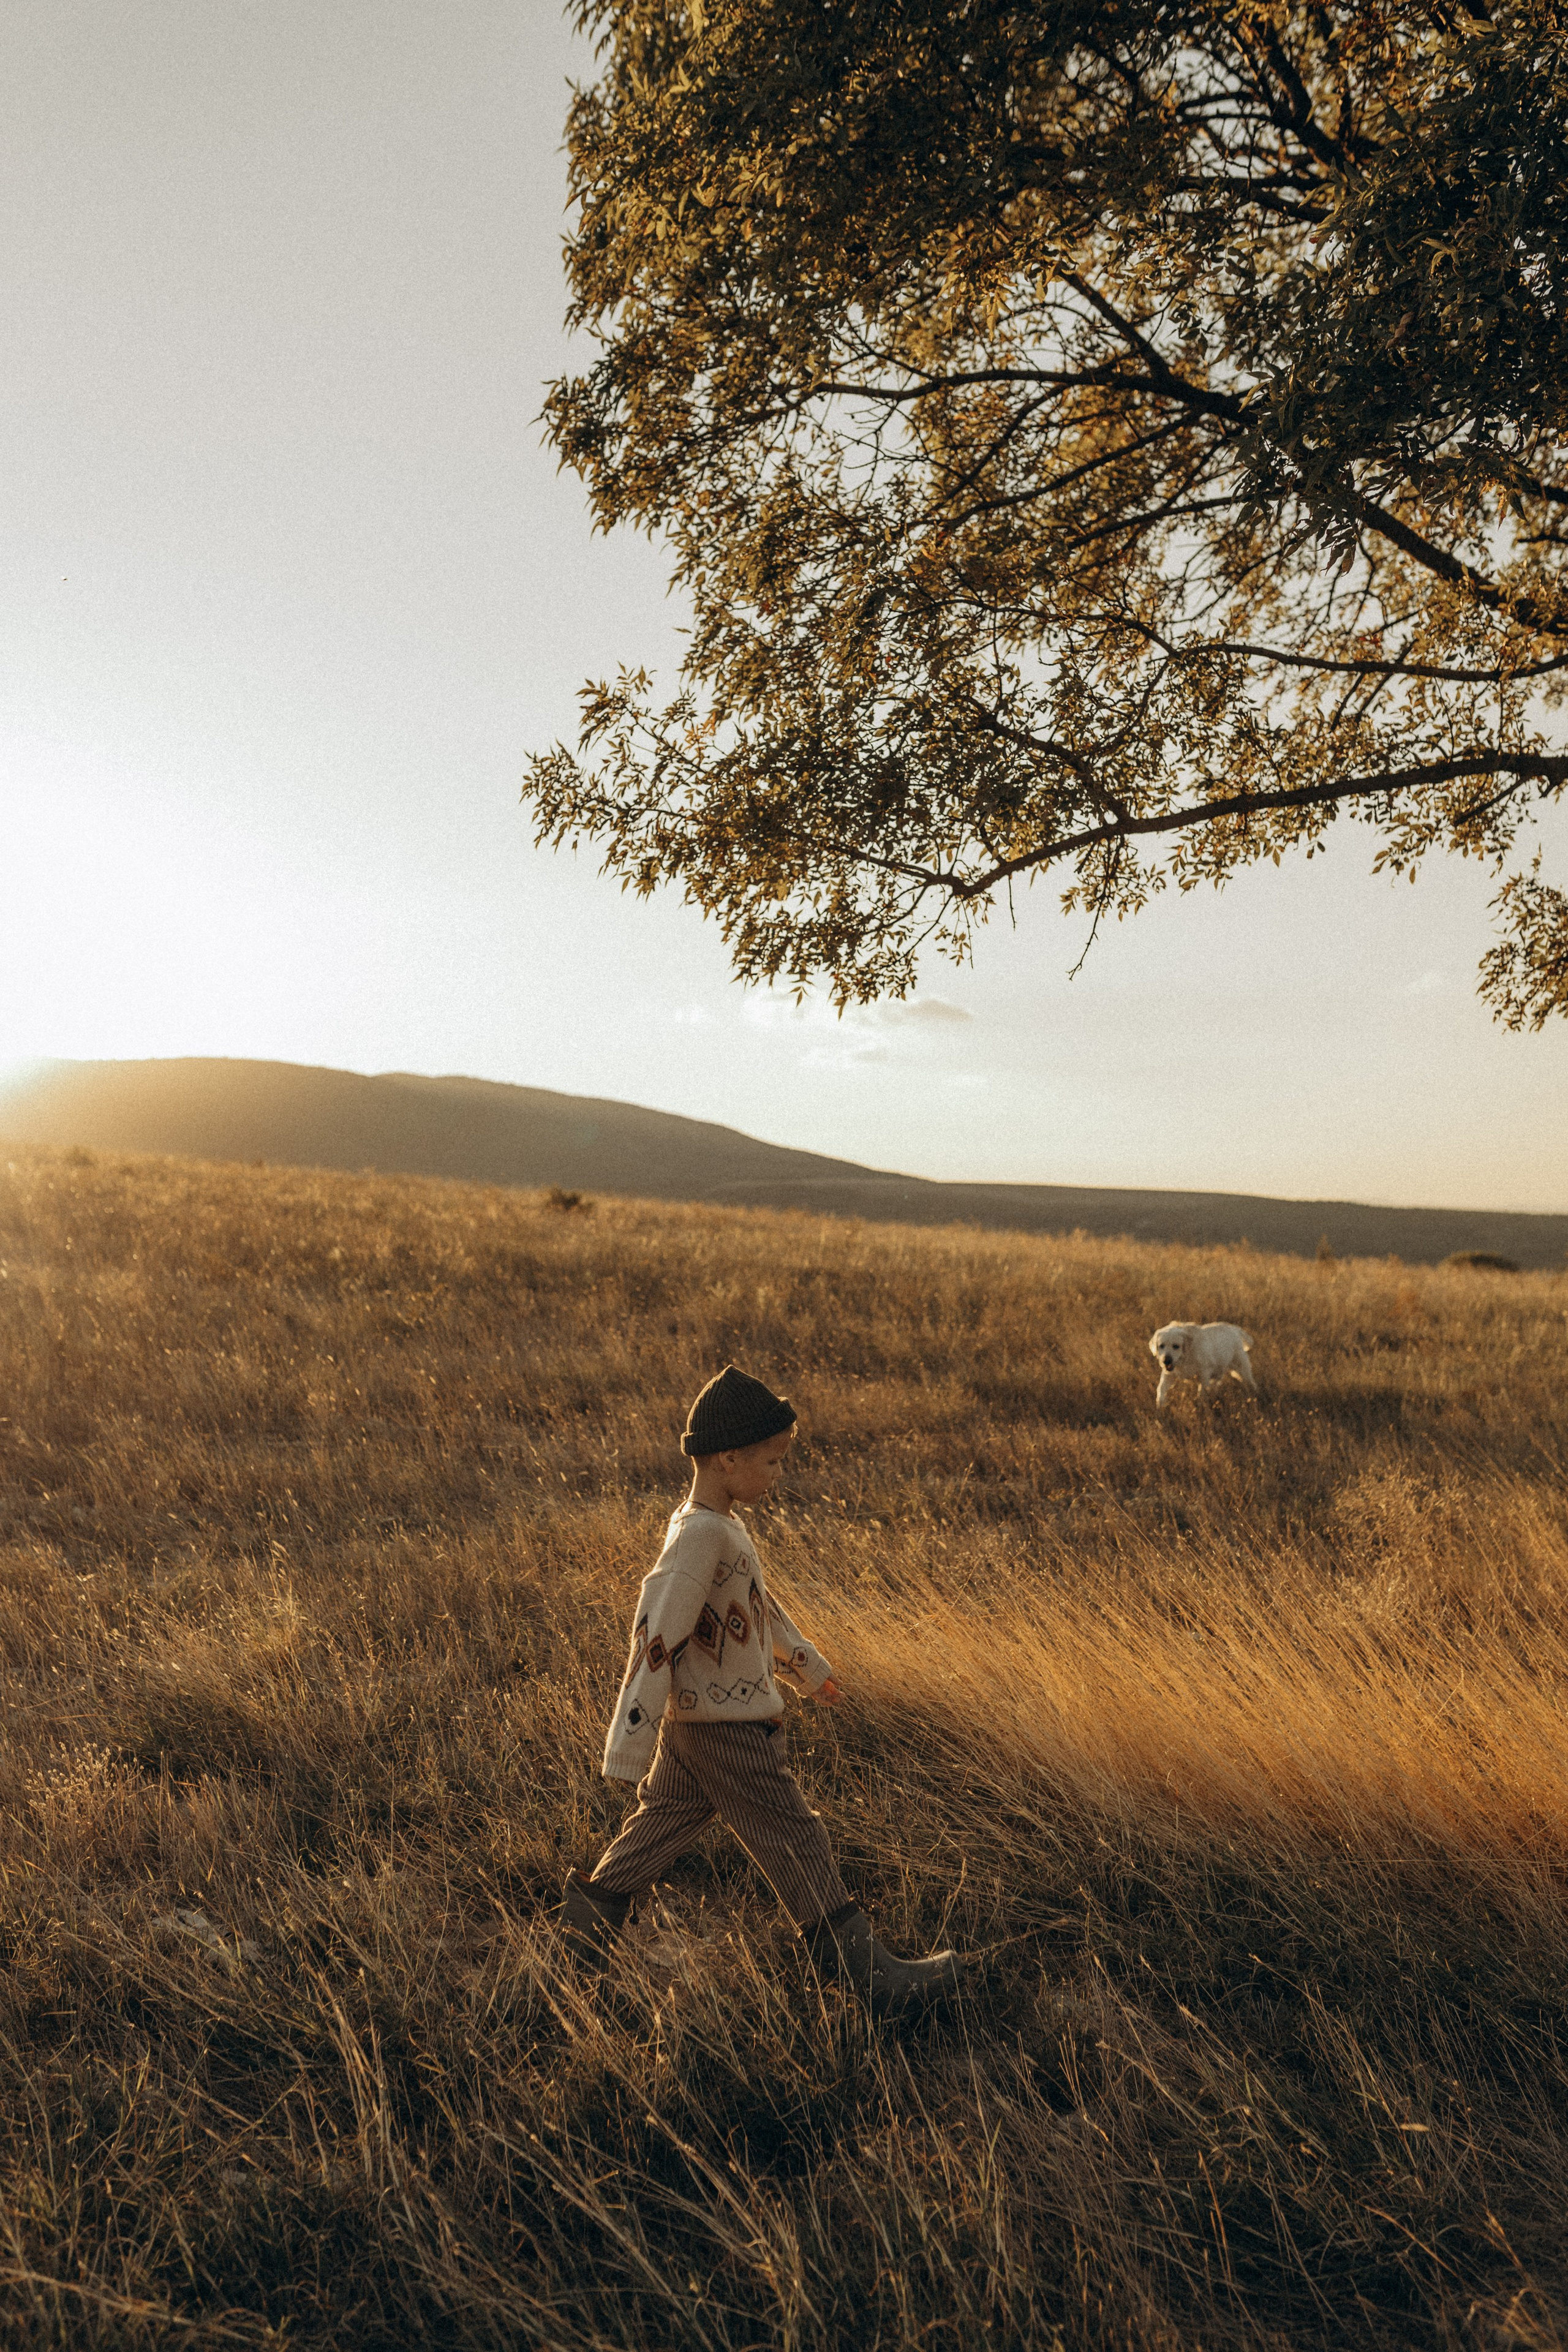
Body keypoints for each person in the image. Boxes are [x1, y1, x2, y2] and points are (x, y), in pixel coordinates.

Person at [559, 1364, 966, 2014]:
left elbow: (756, 1609)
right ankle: (872, 1981)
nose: (779, 1474)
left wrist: (806, 1667)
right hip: (728, 1727)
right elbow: (656, 1629)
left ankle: (574, 1951)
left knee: (661, 1823)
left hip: (700, 1724)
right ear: (728, 1458)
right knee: (795, 1836)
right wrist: (630, 1738)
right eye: (772, 1461)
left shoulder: (715, 1526)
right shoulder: (700, 1534)